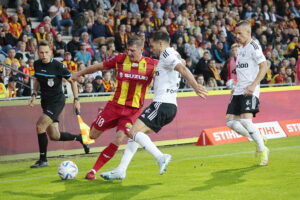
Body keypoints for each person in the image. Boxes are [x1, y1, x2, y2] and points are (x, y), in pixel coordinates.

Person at [100, 30, 207, 181]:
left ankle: (160, 157)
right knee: (135, 136)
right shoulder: (174, 54)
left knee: (132, 132)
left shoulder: (165, 54)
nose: (152, 49)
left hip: (162, 104)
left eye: (153, 45)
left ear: (161, 43)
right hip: (169, 106)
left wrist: (195, 86)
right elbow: (181, 64)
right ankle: (121, 170)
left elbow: (182, 69)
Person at [71, 35, 158, 180]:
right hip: (114, 107)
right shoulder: (120, 59)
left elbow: (173, 66)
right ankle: (101, 116)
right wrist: (78, 73)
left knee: (119, 139)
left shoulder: (152, 64)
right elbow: (98, 66)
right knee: (91, 136)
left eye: (132, 51)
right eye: (128, 50)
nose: (129, 53)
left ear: (141, 50)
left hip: (132, 111)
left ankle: (93, 171)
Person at [28, 40, 89, 168]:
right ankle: (81, 138)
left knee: (40, 126)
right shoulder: (37, 64)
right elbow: (38, 79)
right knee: (54, 136)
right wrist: (34, 93)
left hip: (57, 101)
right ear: (37, 53)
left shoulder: (58, 65)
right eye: (41, 53)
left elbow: (72, 82)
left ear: (50, 52)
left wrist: (76, 100)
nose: (43, 55)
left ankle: (43, 160)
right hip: (45, 101)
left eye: (46, 52)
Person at [225, 20, 269, 166]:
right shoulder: (241, 49)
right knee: (231, 122)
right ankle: (259, 138)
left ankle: (263, 151)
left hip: (251, 89)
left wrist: (253, 85)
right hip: (239, 90)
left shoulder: (254, 46)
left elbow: (264, 67)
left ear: (248, 32)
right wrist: (235, 84)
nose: (237, 36)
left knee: (245, 121)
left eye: (239, 33)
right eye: (235, 33)